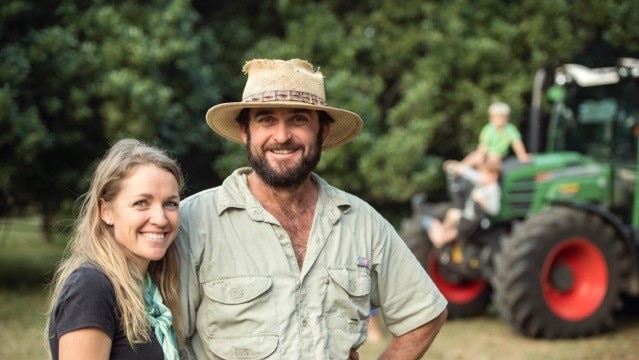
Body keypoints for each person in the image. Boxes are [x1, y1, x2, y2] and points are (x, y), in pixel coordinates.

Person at [177, 58, 448, 359]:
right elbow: (163, 338)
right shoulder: (195, 221)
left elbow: (424, 313)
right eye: (266, 119)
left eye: (299, 119)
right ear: (245, 131)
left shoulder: (361, 222)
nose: (281, 136)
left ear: (323, 132)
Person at [46, 138, 186, 360]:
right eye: (141, 203)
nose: (160, 219)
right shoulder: (90, 288)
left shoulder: (150, 291)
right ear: (106, 211)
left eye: (170, 203)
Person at [422, 158, 501, 248]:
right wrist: (455, 165)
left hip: (474, 220)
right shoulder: (482, 182)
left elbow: (494, 210)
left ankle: (441, 236)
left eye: (484, 174)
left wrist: (483, 201)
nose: (481, 176)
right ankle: (441, 234)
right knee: (451, 214)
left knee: (453, 217)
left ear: (494, 175)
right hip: (466, 216)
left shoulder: (493, 189)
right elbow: (470, 173)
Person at [462, 101, 533, 168]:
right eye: (496, 117)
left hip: (498, 155)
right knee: (473, 156)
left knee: (493, 159)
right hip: (486, 153)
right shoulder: (488, 129)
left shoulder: (510, 129)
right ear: (491, 118)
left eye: (501, 117)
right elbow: (483, 144)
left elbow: (517, 143)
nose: (499, 120)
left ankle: (486, 176)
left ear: (506, 118)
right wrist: (480, 155)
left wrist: (522, 155)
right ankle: (460, 170)